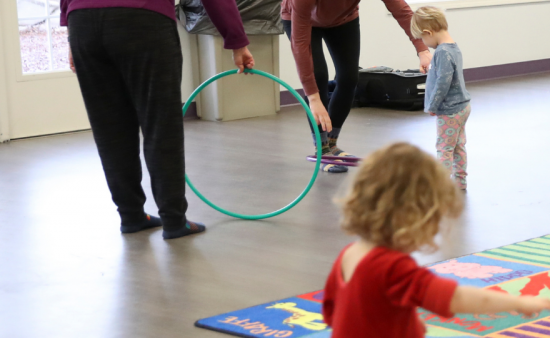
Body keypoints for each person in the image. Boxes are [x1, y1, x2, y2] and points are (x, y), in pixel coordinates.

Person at [63, 0, 255, 239]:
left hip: (83, 21)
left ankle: (131, 215)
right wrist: (237, 41)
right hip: (143, 20)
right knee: (160, 124)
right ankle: (174, 220)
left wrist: (71, 35)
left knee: (109, 127)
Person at [322, 142, 550, 337]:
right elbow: (456, 299)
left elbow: (334, 315)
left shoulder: (349, 255)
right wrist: (519, 303)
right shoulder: (391, 267)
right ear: (411, 216)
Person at [283, 0, 432, 173]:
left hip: (343, 20)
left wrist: (422, 50)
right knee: (319, 76)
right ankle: (322, 149)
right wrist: (313, 98)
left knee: (349, 78)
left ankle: (332, 143)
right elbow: (300, 44)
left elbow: (402, 11)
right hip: (301, 19)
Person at [412, 7, 471, 191]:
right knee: (458, 146)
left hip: (449, 110)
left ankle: (441, 187)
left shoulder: (442, 52)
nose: (425, 43)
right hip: (462, 106)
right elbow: (445, 74)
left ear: (429, 32)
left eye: (423, 38)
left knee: (444, 148)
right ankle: (460, 181)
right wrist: (432, 67)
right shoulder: (453, 47)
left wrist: (432, 105)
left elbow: (443, 84)